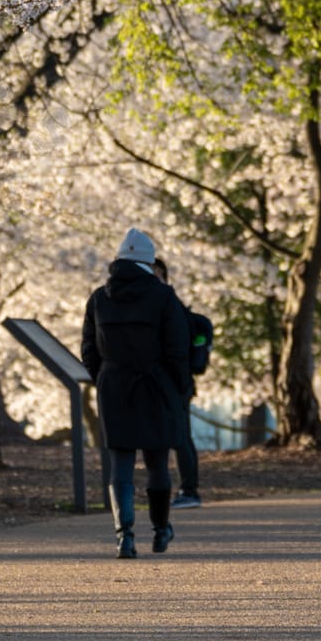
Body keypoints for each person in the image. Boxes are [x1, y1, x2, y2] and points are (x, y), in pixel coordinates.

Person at [81, 228, 192, 559]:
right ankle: (161, 529)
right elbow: (177, 347)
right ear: (148, 260)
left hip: (114, 386)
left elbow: (89, 349)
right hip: (157, 384)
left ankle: (124, 535)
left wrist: (103, 377)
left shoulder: (99, 298)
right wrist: (180, 387)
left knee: (121, 463)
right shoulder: (164, 296)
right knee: (157, 460)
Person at [154, 259, 202, 510]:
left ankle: (189, 489)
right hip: (174, 382)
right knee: (179, 437)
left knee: (181, 437)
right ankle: (185, 489)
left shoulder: (170, 303)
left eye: (156, 273)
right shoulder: (167, 303)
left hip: (177, 384)